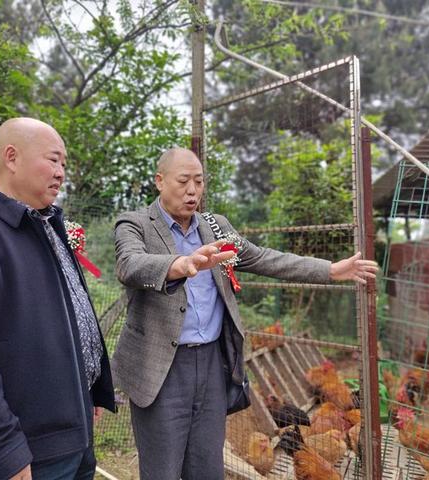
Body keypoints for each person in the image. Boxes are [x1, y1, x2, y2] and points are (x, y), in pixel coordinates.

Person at [112, 147, 378, 480]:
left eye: (199, 181)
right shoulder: (135, 224)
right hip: (161, 369)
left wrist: (330, 269)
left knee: (207, 464)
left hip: (212, 364)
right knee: (162, 469)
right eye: (183, 181)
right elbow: (129, 264)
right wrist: (179, 264)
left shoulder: (215, 227)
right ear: (160, 181)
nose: (192, 190)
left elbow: (264, 258)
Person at [0, 118, 115, 480]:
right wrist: (4, 453)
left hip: (77, 435)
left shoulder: (47, 227)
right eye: (53, 160)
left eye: (64, 164)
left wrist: (87, 391)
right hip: (29, 452)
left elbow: (66, 317)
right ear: (11, 158)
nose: (61, 172)